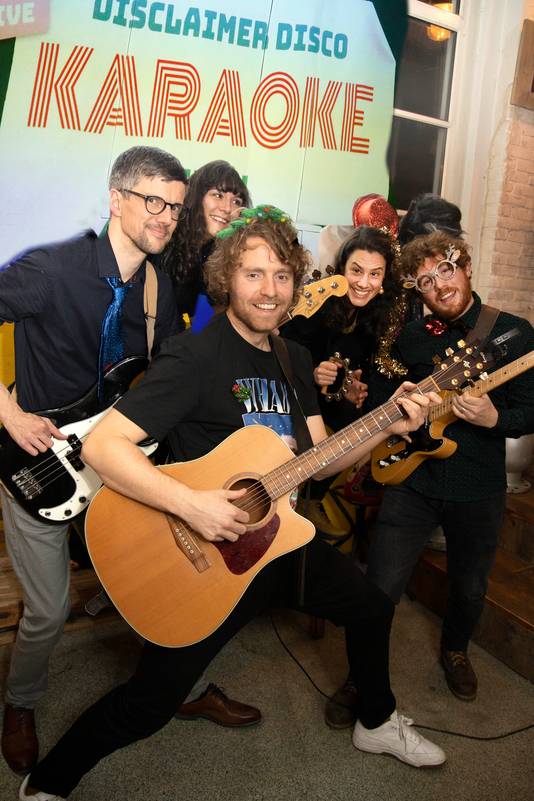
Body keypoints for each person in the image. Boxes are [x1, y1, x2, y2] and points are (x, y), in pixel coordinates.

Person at [19, 206, 445, 800]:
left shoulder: (293, 359)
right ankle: (47, 784)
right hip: (206, 556)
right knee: (150, 703)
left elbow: (319, 455)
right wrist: (194, 508)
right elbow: (104, 446)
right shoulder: (194, 357)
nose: (269, 290)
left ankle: (375, 722)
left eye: (281, 275)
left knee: (372, 608)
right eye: (253, 274)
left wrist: (386, 425)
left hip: (280, 540)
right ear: (226, 281)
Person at [0, 146, 250, 778]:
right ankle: (20, 703)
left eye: (174, 204)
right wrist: (7, 413)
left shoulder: (161, 287)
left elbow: (168, 376)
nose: (166, 216)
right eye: (153, 201)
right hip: (36, 467)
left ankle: (167, 688)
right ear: (117, 199)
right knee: (49, 610)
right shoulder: (51, 270)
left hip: (109, 461)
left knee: (155, 574)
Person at [328, 230, 534, 721]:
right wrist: (396, 404)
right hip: (411, 480)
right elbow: (380, 401)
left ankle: (456, 649)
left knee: (469, 586)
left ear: (465, 265)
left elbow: (530, 409)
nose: (438, 285)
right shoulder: (409, 338)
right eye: (424, 281)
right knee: (379, 587)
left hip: (477, 488)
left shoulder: (514, 332)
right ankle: (362, 676)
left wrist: (494, 420)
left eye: (445, 269)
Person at [283, 225, 409, 541]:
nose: (364, 283)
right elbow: (280, 355)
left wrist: (349, 388)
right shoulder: (317, 303)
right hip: (294, 431)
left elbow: (357, 373)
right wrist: (312, 372)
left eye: (375, 274)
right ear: (341, 270)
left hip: (339, 435)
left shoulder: (378, 317)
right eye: (356, 270)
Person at [160, 159, 251, 330]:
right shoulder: (163, 240)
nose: (227, 208)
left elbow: (199, 325)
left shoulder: (221, 258)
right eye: (218, 195)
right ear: (196, 197)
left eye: (236, 201)